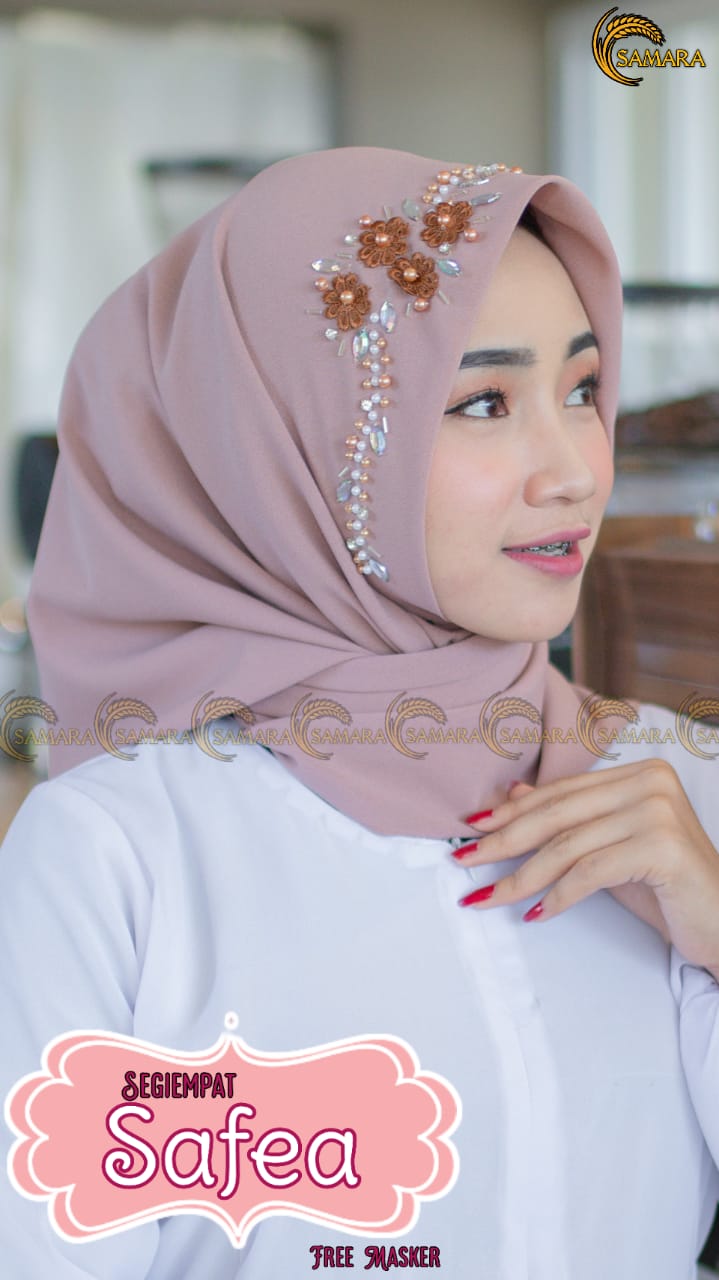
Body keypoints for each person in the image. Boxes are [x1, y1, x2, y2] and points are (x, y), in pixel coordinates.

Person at [1, 145, 719, 1278]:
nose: (575, 472)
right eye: (481, 403)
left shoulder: (674, 795)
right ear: (283, 445)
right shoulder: (123, 853)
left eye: (582, 390)